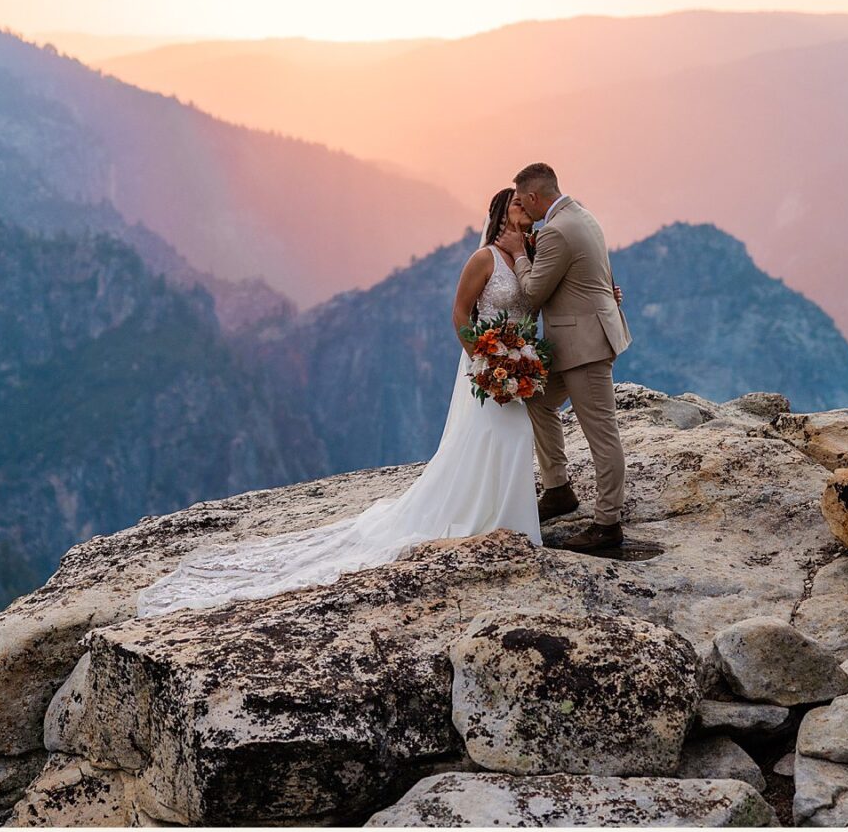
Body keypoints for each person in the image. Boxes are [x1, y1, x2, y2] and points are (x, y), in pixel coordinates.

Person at [134, 187, 543, 617]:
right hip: (486, 367)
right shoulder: (483, 260)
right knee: (486, 436)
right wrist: (482, 356)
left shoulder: (530, 252)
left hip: (520, 365)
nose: (525, 209)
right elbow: (460, 313)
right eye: (518, 203)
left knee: (515, 435)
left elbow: (542, 294)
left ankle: (511, 522)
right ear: (500, 213)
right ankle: (483, 516)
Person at [495, 162, 632, 553]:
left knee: (602, 435)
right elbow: (595, 274)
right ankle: (558, 491)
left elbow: (534, 291)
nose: (521, 208)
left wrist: (519, 253)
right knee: (537, 399)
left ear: (535, 198)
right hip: (578, 338)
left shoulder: (555, 231)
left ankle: (607, 526)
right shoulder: (582, 215)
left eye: (522, 201)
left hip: (584, 347)